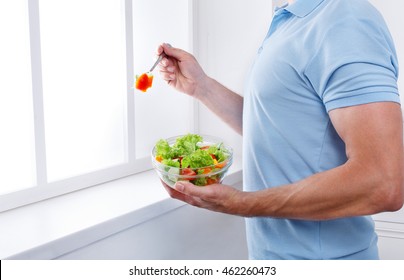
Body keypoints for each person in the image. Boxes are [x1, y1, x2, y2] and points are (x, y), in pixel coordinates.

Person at [157, 0, 404, 259]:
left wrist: (238, 203)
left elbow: (381, 182)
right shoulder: (290, 19)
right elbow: (275, 127)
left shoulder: (345, 20)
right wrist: (202, 88)